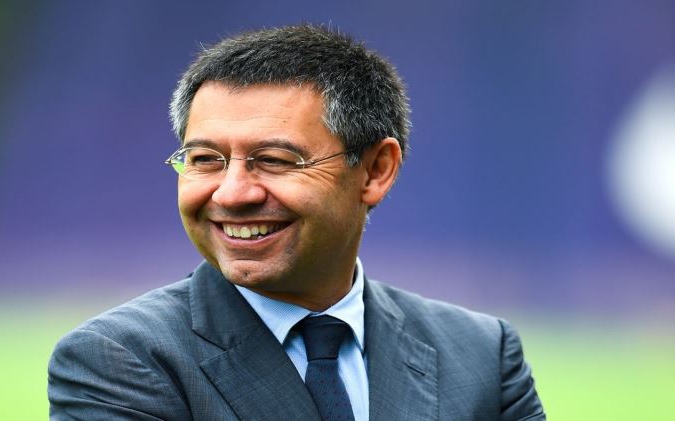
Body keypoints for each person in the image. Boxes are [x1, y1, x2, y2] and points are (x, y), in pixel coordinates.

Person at [48, 25, 545, 421]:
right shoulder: (117, 360)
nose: (232, 193)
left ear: (376, 170)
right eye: (205, 160)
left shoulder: (481, 354)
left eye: (274, 160)